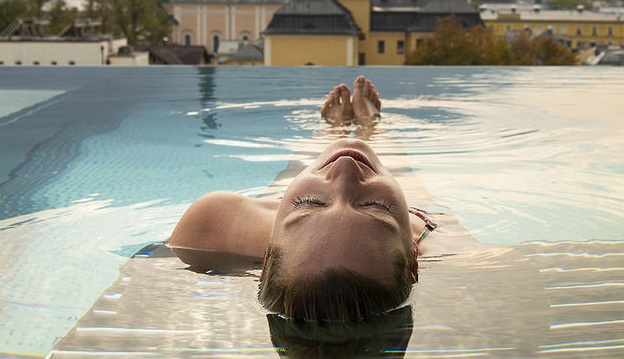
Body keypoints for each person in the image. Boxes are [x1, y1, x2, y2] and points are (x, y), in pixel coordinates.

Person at [168, 76, 443, 322]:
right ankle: (371, 124)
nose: (345, 168)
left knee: (304, 161)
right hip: (416, 214)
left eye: (310, 202)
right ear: (413, 261)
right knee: (397, 163)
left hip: (272, 209)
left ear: (266, 262)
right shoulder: (449, 246)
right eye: (375, 206)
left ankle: (331, 129)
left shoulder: (211, 224)